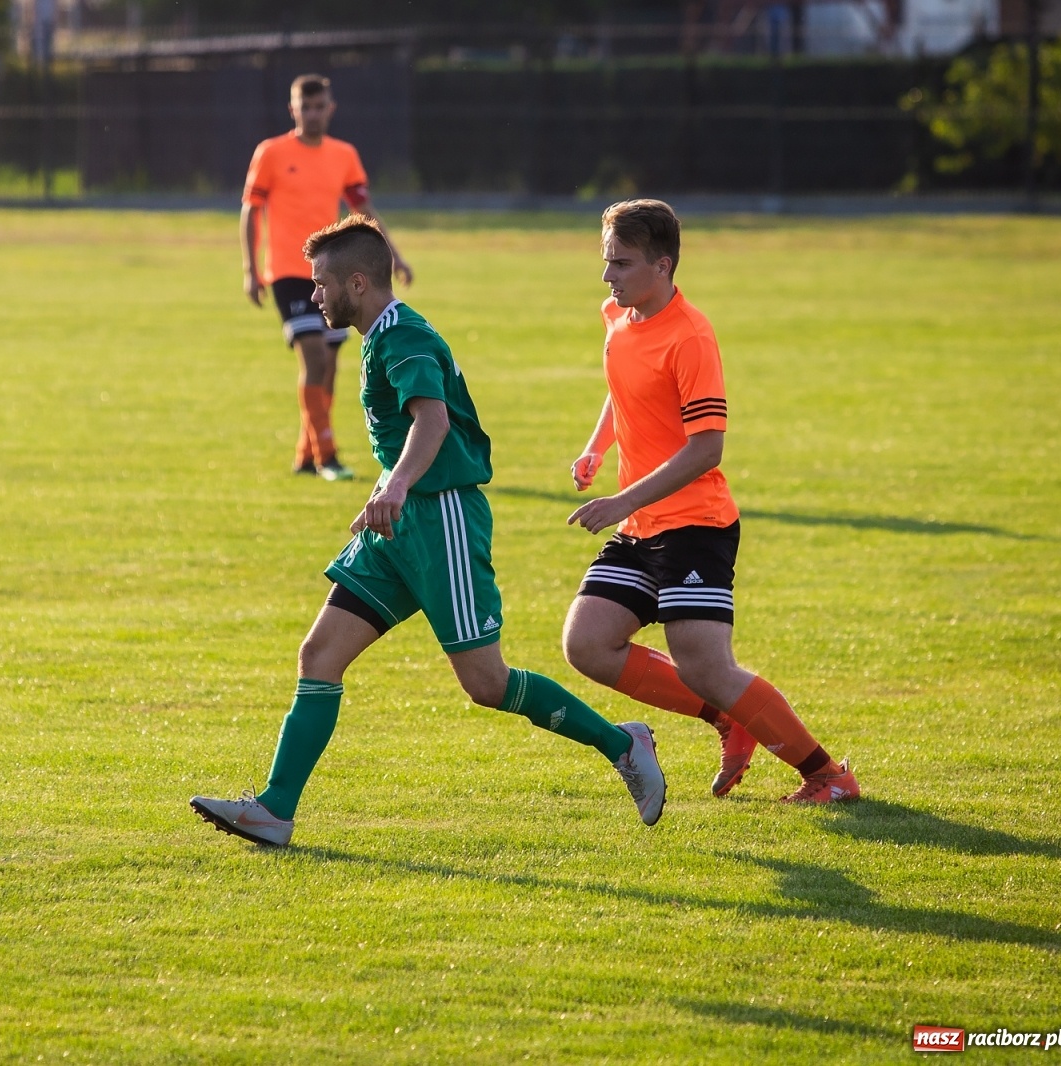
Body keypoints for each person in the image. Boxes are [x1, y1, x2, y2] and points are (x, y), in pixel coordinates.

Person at [191, 216, 666, 847]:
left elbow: (432, 422)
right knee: (319, 656)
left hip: (442, 519)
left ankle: (622, 744)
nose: (314, 296)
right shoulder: (379, 336)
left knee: (487, 684)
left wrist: (395, 485)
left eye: (321, 283)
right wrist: (389, 490)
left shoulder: (405, 336)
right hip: (397, 524)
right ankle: (276, 809)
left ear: (357, 283)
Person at [560, 198, 859, 804]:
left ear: (662, 265)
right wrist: (596, 448)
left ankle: (829, 776)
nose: (608, 275)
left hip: (695, 525)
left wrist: (620, 501)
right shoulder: (618, 315)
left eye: (621, 263)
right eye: (606, 260)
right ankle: (729, 718)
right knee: (587, 644)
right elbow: (624, 388)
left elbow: (706, 449)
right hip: (642, 524)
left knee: (706, 667)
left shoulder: (691, 336)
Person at [241, 74, 413, 481]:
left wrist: (394, 256)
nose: (313, 114)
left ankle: (307, 452)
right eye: (306, 107)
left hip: (333, 276)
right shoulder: (271, 152)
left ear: (330, 109)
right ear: (293, 110)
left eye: (320, 107)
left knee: (330, 365)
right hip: (288, 272)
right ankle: (327, 456)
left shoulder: (343, 155)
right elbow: (251, 209)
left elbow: (362, 210)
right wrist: (251, 268)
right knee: (315, 357)